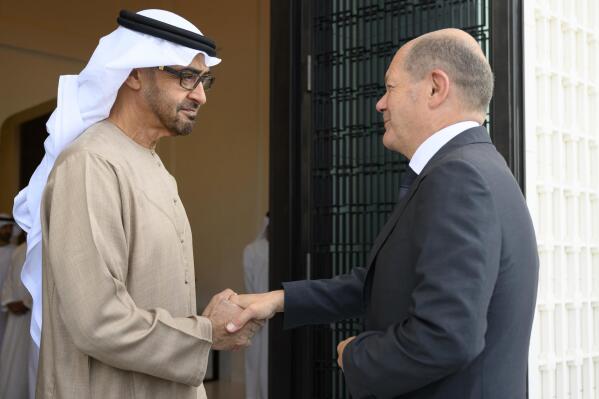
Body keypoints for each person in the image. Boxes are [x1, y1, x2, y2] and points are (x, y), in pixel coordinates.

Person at [227, 28, 539, 399]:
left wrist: (356, 356)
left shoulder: (458, 177)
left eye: (389, 88)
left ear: (435, 88)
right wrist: (279, 300)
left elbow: (447, 336)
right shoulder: (480, 167)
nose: (380, 104)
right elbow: (384, 281)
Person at [13, 9, 259, 399]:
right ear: (133, 73)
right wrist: (206, 332)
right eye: (185, 76)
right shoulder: (90, 163)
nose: (200, 95)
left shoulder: (152, 165)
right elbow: (98, 321)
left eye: (203, 79)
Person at [0, 230, 31, 399]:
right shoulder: (18, 251)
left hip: (32, 319)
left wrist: (27, 303)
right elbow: (8, 283)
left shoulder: (45, 250)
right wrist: (9, 301)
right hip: (15, 319)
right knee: (12, 364)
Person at [242, 214, 269, 399]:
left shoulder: (284, 250)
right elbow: (249, 285)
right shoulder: (252, 250)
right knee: (254, 362)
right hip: (257, 314)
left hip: (273, 312)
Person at [0, 214, 15, 351]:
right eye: (5, 228)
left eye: (10, 228)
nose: (8, 231)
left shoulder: (15, 251)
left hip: (7, 304)